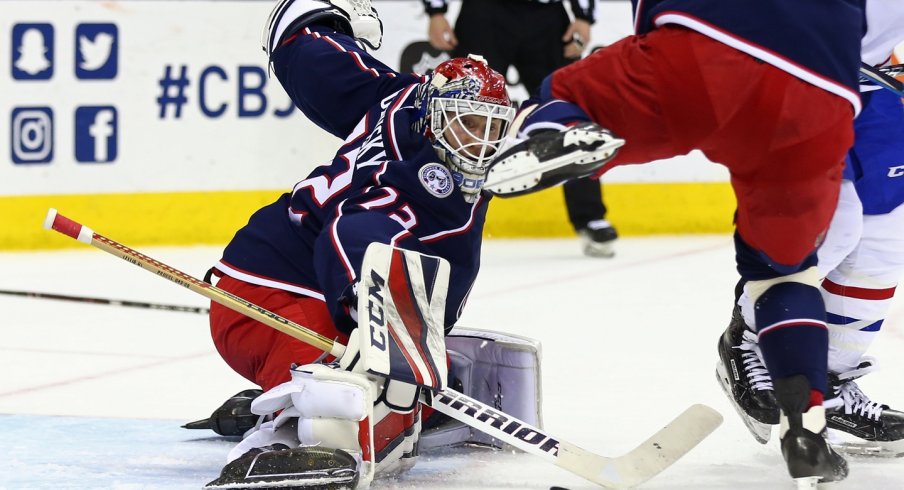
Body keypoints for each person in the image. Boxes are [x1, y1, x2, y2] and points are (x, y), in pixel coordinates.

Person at [481, 0, 865, 485]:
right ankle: (805, 428)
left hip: (703, 48)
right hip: (820, 95)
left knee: (564, 91)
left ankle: (561, 127)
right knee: (785, 273)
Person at [199, 1, 543, 488]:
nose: (479, 141)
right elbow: (354, 229)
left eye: (490, 125)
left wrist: (321, 23)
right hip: (261, 297)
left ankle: (311, 387)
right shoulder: (405, 182)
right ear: (433, 116)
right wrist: (365, 309)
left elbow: (310, 54)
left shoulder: (400, 96)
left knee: (392, 374)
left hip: (304, 281)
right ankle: (279, 438)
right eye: (466, 123)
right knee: (346, 387)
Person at [717, 1, 904, 457]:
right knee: (825, 231)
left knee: (886, 242)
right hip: (796, 78)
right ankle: (746, 342)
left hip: (878, 82)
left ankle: (829, 379)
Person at [424, 0, 619, 258]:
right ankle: (438, 218)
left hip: (547, 19)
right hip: (484, 15)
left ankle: (590, 215)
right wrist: (436, 11)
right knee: (463, 116)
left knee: (567, 111)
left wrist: (583, 15)